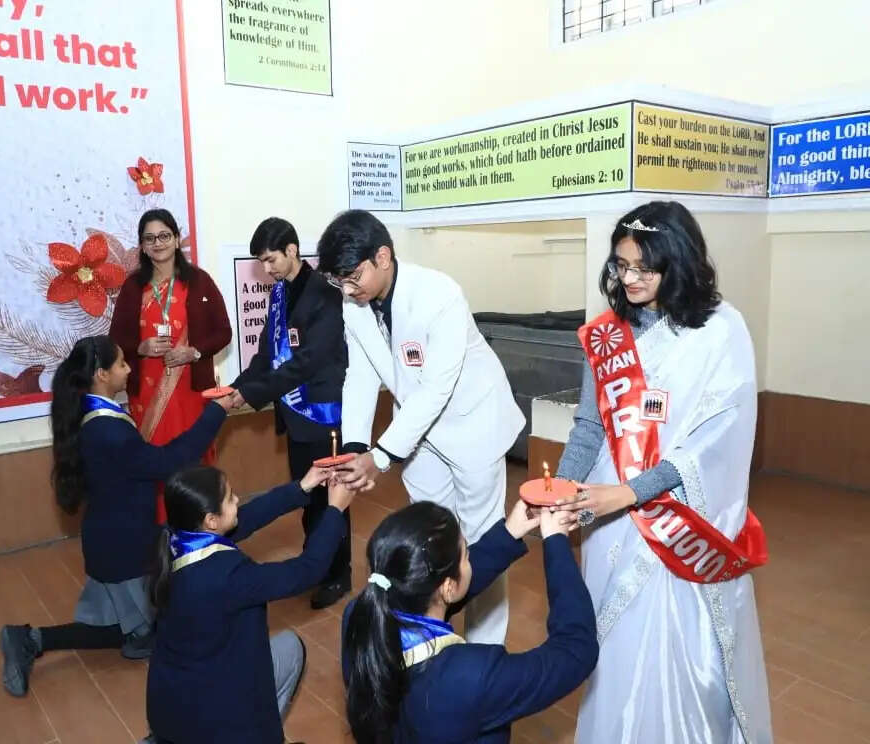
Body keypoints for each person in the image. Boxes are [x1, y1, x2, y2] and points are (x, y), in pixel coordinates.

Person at [553, 201, 772, 744]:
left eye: (644, 268)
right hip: (608, 517)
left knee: (676, 650)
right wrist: (562, 488)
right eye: (620, 265)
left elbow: (712, 446)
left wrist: (629, 494)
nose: (629, 278)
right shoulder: (607, 334)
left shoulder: (720, 331)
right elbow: (589, 426)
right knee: (616, 647)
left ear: (679, 261)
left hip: (677, 519)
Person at [317, 209, 525, 644]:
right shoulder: (354, 304)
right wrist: (356, 446)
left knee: (483, 541)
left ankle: (484, 652)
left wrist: (380, 457)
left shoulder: (438, 294)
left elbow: (436, 388)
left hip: (471, 424)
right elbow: (361, 374)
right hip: (418, 433)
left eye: (353, 277)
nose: (348, 290)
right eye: (339, 281)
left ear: (383, 257)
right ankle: (433, 638)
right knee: (429, 539)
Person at [0, 335, 232, 696]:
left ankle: (33, 639)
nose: (129, 370)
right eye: (122, 364)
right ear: (102, 374)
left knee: (123, 626)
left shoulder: (91, 414)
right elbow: (168, 462)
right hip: (126, 548)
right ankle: (35, 639)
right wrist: (216, 412)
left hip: (110, 539)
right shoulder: (108, 429)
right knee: (161, 619)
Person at [341, 499, 598, 743]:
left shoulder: (361, 615)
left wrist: (509, 532)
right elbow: (576, 651)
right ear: (447, 587)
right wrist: (556, 543)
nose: (469, 560)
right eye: (466, 554)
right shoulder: (470, 675)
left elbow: (443, 589)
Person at [144, 466, 356, 744]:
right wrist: (335, 510)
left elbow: (246, 517)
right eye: (230, 497)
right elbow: (306, 570)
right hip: (214, 722)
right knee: (291, 649)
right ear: (210, 520)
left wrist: (302, 487)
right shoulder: (227, 577)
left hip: (171, 709)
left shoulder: (175, 541)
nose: (237, 500)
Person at [227, 216, 351, 609]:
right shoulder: (280, 293)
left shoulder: (325, 293)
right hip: (296, 417)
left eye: (271, 260)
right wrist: (236, 387)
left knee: (331, 499)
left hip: (322, 415)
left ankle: (338, 574)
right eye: (261, 262)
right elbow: (267, 354)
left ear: (292, 250)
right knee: (306, 494)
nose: (267, 269)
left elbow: (308, 362)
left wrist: (253, 393)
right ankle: (317, 564)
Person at [111, 208, 232, 524]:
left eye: (164, 235)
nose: (158, 243)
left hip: (191, 391)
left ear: (177, 239)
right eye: (149, 238)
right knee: (154, 460)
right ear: (142, 246)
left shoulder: (200, 282)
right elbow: (116, 340)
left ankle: (200, 527)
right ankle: (159, 530)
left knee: (192, 458)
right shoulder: (133, 287)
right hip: (146, 393)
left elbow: (223, 332)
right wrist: (140, 348)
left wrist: (193, 352)